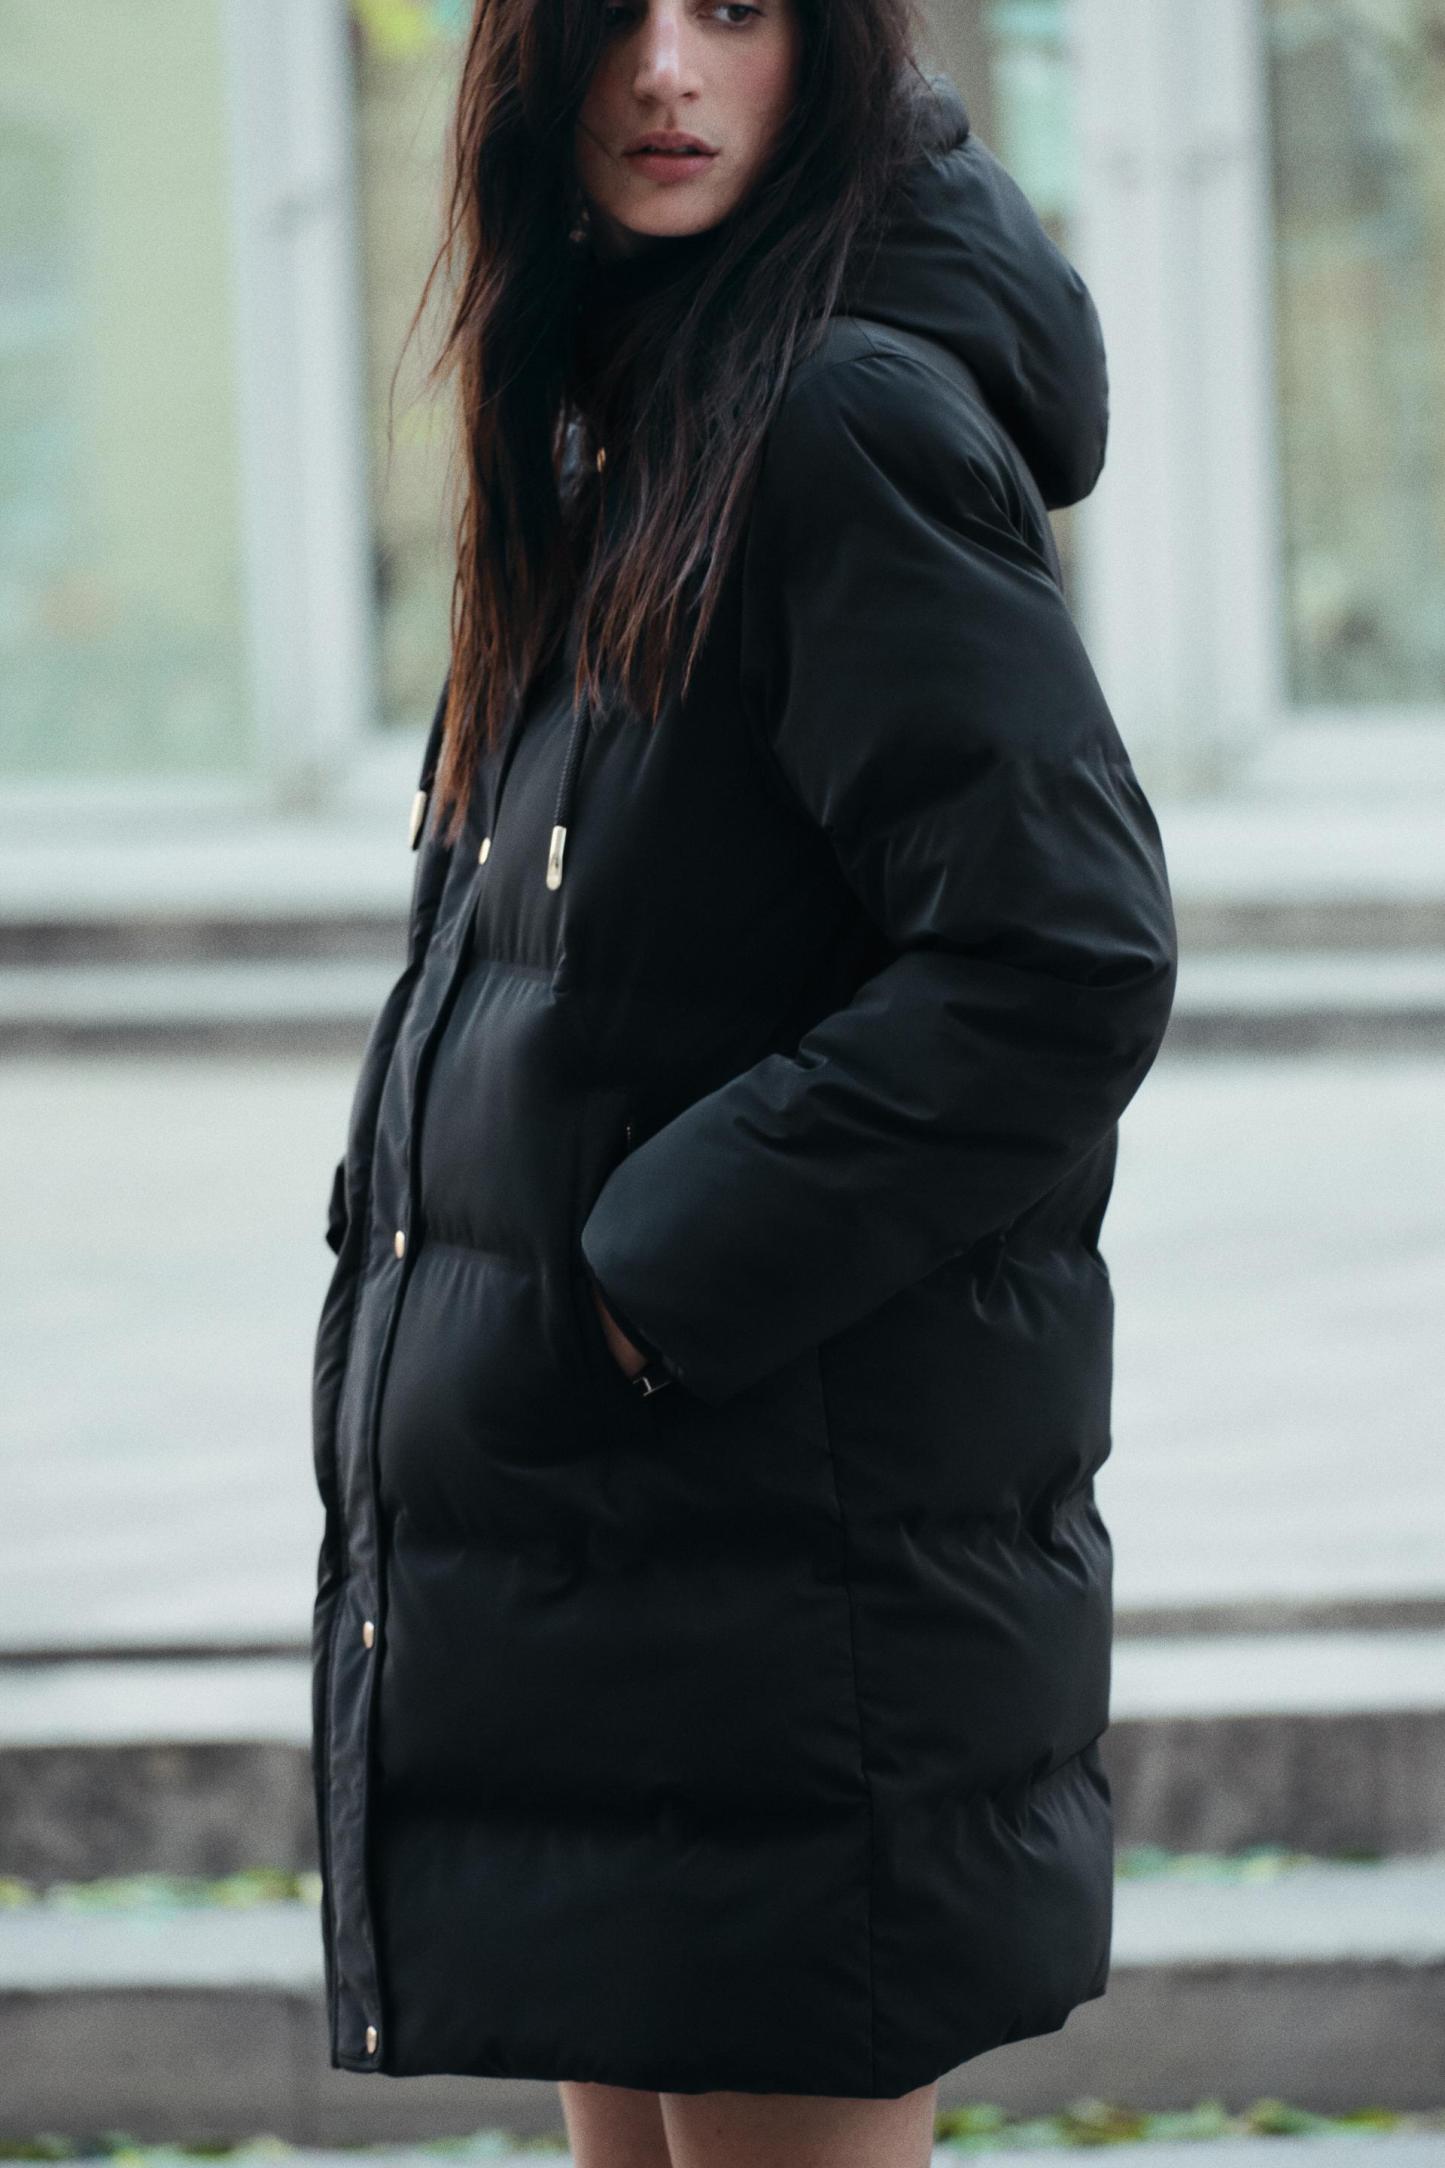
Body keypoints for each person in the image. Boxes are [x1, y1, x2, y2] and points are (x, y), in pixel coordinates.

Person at [310, 3, 1179, 2166]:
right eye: (613, 10)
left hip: (792, 1587)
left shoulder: (832, 422)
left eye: (735, 8)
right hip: (634, 1561)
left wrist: (644, 1279)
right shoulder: (622, 413)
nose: (663, 72)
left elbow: (1059, 955)